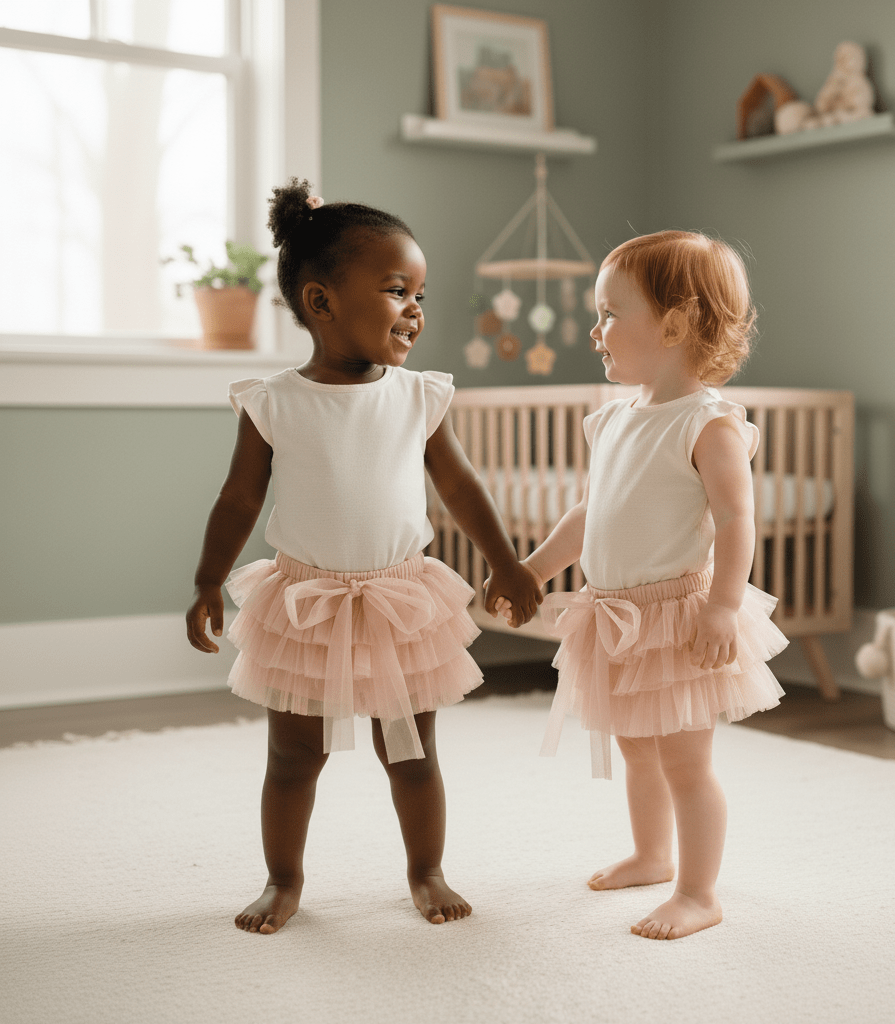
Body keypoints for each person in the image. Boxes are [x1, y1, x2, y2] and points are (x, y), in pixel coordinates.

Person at [186, 178, 542, 935]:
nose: (415, 308)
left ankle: (427, 870)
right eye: (394, 289)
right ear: (321, 303)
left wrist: (507, 562)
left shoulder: (418, 396)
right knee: (292, 758)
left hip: (400, 597)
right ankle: (283, 880)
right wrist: (208, 579)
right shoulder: (274, 401)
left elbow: (460, 485)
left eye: (420, 293)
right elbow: (240, 499)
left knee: (411, 751)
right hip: (304, 600)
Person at [495, 230, 788, 940]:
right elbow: (589, 512)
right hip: (615, 614)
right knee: (634, 746)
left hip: (677, 617)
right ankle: (652, 855)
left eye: (607, 313)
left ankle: (698, 892)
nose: (595, 330)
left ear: (674, 324)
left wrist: (723, 605)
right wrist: (534, 566)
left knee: (686, 760)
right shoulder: (616, 418)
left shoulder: (708, 422)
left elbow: (737, 520)